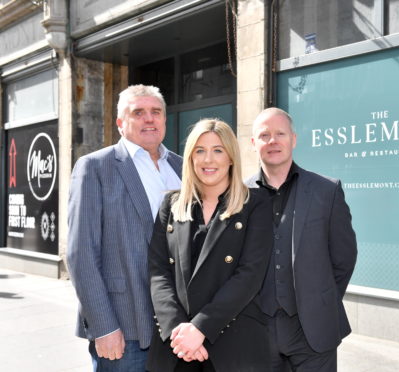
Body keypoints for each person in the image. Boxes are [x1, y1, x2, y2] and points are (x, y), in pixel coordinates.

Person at [67, 85, 182, 372]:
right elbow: (81, 254)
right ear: (120, 123)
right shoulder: (95, 167)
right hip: (125, 327)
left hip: (179, 326)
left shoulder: (181, 167)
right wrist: (104, 327)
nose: (149, 119)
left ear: (165, 120)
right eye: (138, 112)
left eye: (156, 112)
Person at [147, 119, 273, 372]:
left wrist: (201, 327)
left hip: (233, 346)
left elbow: (249, 275)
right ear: (190, 158)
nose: (208, 159)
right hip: (176, 347)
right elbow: (158, 271)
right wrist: (179, 332)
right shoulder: (171, 205)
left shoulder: (256, 204)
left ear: (231, 158)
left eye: (218, 150)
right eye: (200, 151)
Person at [246, 107, 358, 372]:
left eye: (280, 133)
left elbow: (344, 258)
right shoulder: (240, 196)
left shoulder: (327, 191)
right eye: (264, 135)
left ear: (293, 139)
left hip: (313, 331)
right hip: (257, 331)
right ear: (253, 143)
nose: (272, 141)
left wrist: (318, 300)